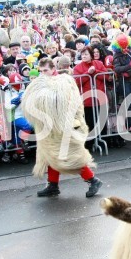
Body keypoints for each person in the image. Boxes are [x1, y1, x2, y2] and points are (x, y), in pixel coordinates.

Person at [21, 57, 103, 198]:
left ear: (53, 69)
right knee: (49, 155)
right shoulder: (43, 85)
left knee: (70, 156)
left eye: (46, 70)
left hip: (65, 125)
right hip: (50, 128)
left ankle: (93, 180)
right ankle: (53, 185)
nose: (43, 74)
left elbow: (65, 103)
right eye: (41, 71)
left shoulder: (63, 82)